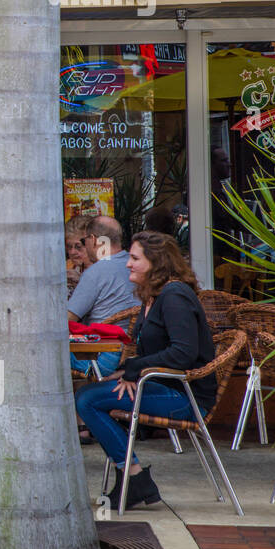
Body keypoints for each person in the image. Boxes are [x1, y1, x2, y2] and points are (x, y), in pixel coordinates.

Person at [75, 231, 218, 509]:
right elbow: (151, 351)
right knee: (93, 396)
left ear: (157, 262)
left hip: (185, 397)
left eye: (134, 258)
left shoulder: (175, 296)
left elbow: (183, 352)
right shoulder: (154, 295)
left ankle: (134, 477)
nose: (128, 264)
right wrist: (126, 370)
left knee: (88, 399)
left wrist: (135, 368)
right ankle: (132, 477)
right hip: (162, 386)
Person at [68, 216, 136, 376]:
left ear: (93, 240)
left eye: (83, 242)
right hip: (135, 355)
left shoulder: (96, 272)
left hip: (103, 357)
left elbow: (67, 320)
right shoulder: (135, 265)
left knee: (44, 351)